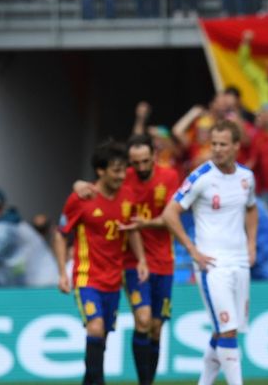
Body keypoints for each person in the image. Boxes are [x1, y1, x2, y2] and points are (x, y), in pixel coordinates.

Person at [75, 134, 181, 384]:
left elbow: (171, 216)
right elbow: (95, 189)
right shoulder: (123, 176)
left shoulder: (170, 177)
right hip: (132, 261)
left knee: (156, 327)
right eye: (136, 163)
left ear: (155, 156)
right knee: (142, 319)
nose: (141, 167)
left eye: (146, 161)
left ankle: (147, 382)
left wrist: (146, 223)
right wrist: (78, 184)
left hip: (164, 261)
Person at [162, 120, 258, 385]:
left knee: (225, 330)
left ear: (236, 146)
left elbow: (251, 208)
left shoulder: (246, 177)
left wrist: (251, 245)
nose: (216, 149)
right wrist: (192, 250)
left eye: (223, 144)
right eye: (213, 144)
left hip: (239, 261)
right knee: (227, 330)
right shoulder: (201, 177)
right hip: (211, 264)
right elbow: (170, 213)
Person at [53, 140, 149, 385]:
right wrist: (62, 272)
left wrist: (141, 260)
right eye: (116, 170)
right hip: (87, 277)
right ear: (101, 171)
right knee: (95, 328)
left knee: (102, 337)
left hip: (113, 279)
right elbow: (61, 233)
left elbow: (132, 229)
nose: (121, 175)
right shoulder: (81, 199)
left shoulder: (128, 196)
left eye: (122, 169)